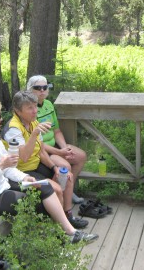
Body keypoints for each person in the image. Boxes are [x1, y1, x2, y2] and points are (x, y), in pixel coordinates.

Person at [0, 99, 97, 243]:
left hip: (0, 186)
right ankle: (56, 240)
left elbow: (9, 169)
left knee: (44, 187)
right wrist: (0, 167)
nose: (1, 118)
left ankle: (70, 232)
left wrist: (25, 178)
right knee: (34, 201)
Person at [2, 91, 89, 229]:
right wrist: (35, 133)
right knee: (56, 189)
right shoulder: (13, 129)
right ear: (18, 111)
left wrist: (55, 167)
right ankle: (59, 228)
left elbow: (41, 150)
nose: (35, 111)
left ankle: (68, 215)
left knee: (65, 175)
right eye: (30, 108)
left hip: (36, 165)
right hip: (21, 171)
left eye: (35, 106)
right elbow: (23, 158)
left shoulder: (32, 122)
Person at [26, 75, 86, 204]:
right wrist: (60, 152)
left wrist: (64, 148)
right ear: (30, 90)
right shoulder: (30, 110)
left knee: (80, 156)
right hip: (43, 151)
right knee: (65, 165)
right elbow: (38, 142)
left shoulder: (48, 104)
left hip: (55, 147)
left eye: (45, 87)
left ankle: (68, 190)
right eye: (38, 88)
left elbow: (56, 131)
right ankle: (59, 197)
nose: (42, 90)